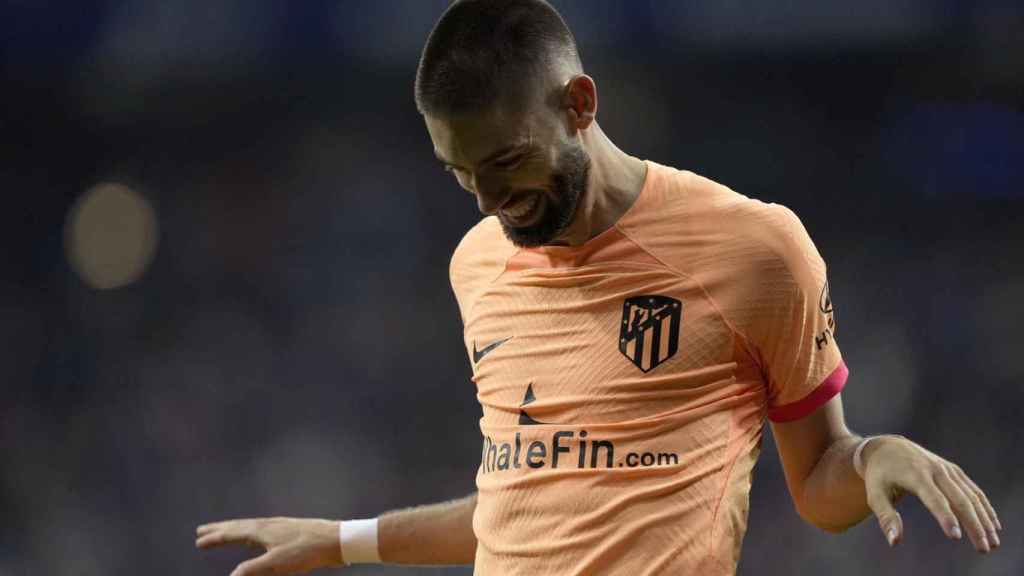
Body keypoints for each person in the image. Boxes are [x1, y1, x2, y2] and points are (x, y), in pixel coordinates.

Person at [195, 1, 1002, 574]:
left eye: (506, 162)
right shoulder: (477, 266)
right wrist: (345, 540)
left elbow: (818, 480)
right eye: (460, 174)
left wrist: (870, 457)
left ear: (579, 103)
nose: (487, 201)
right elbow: (526, 511)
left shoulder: (756, 249)